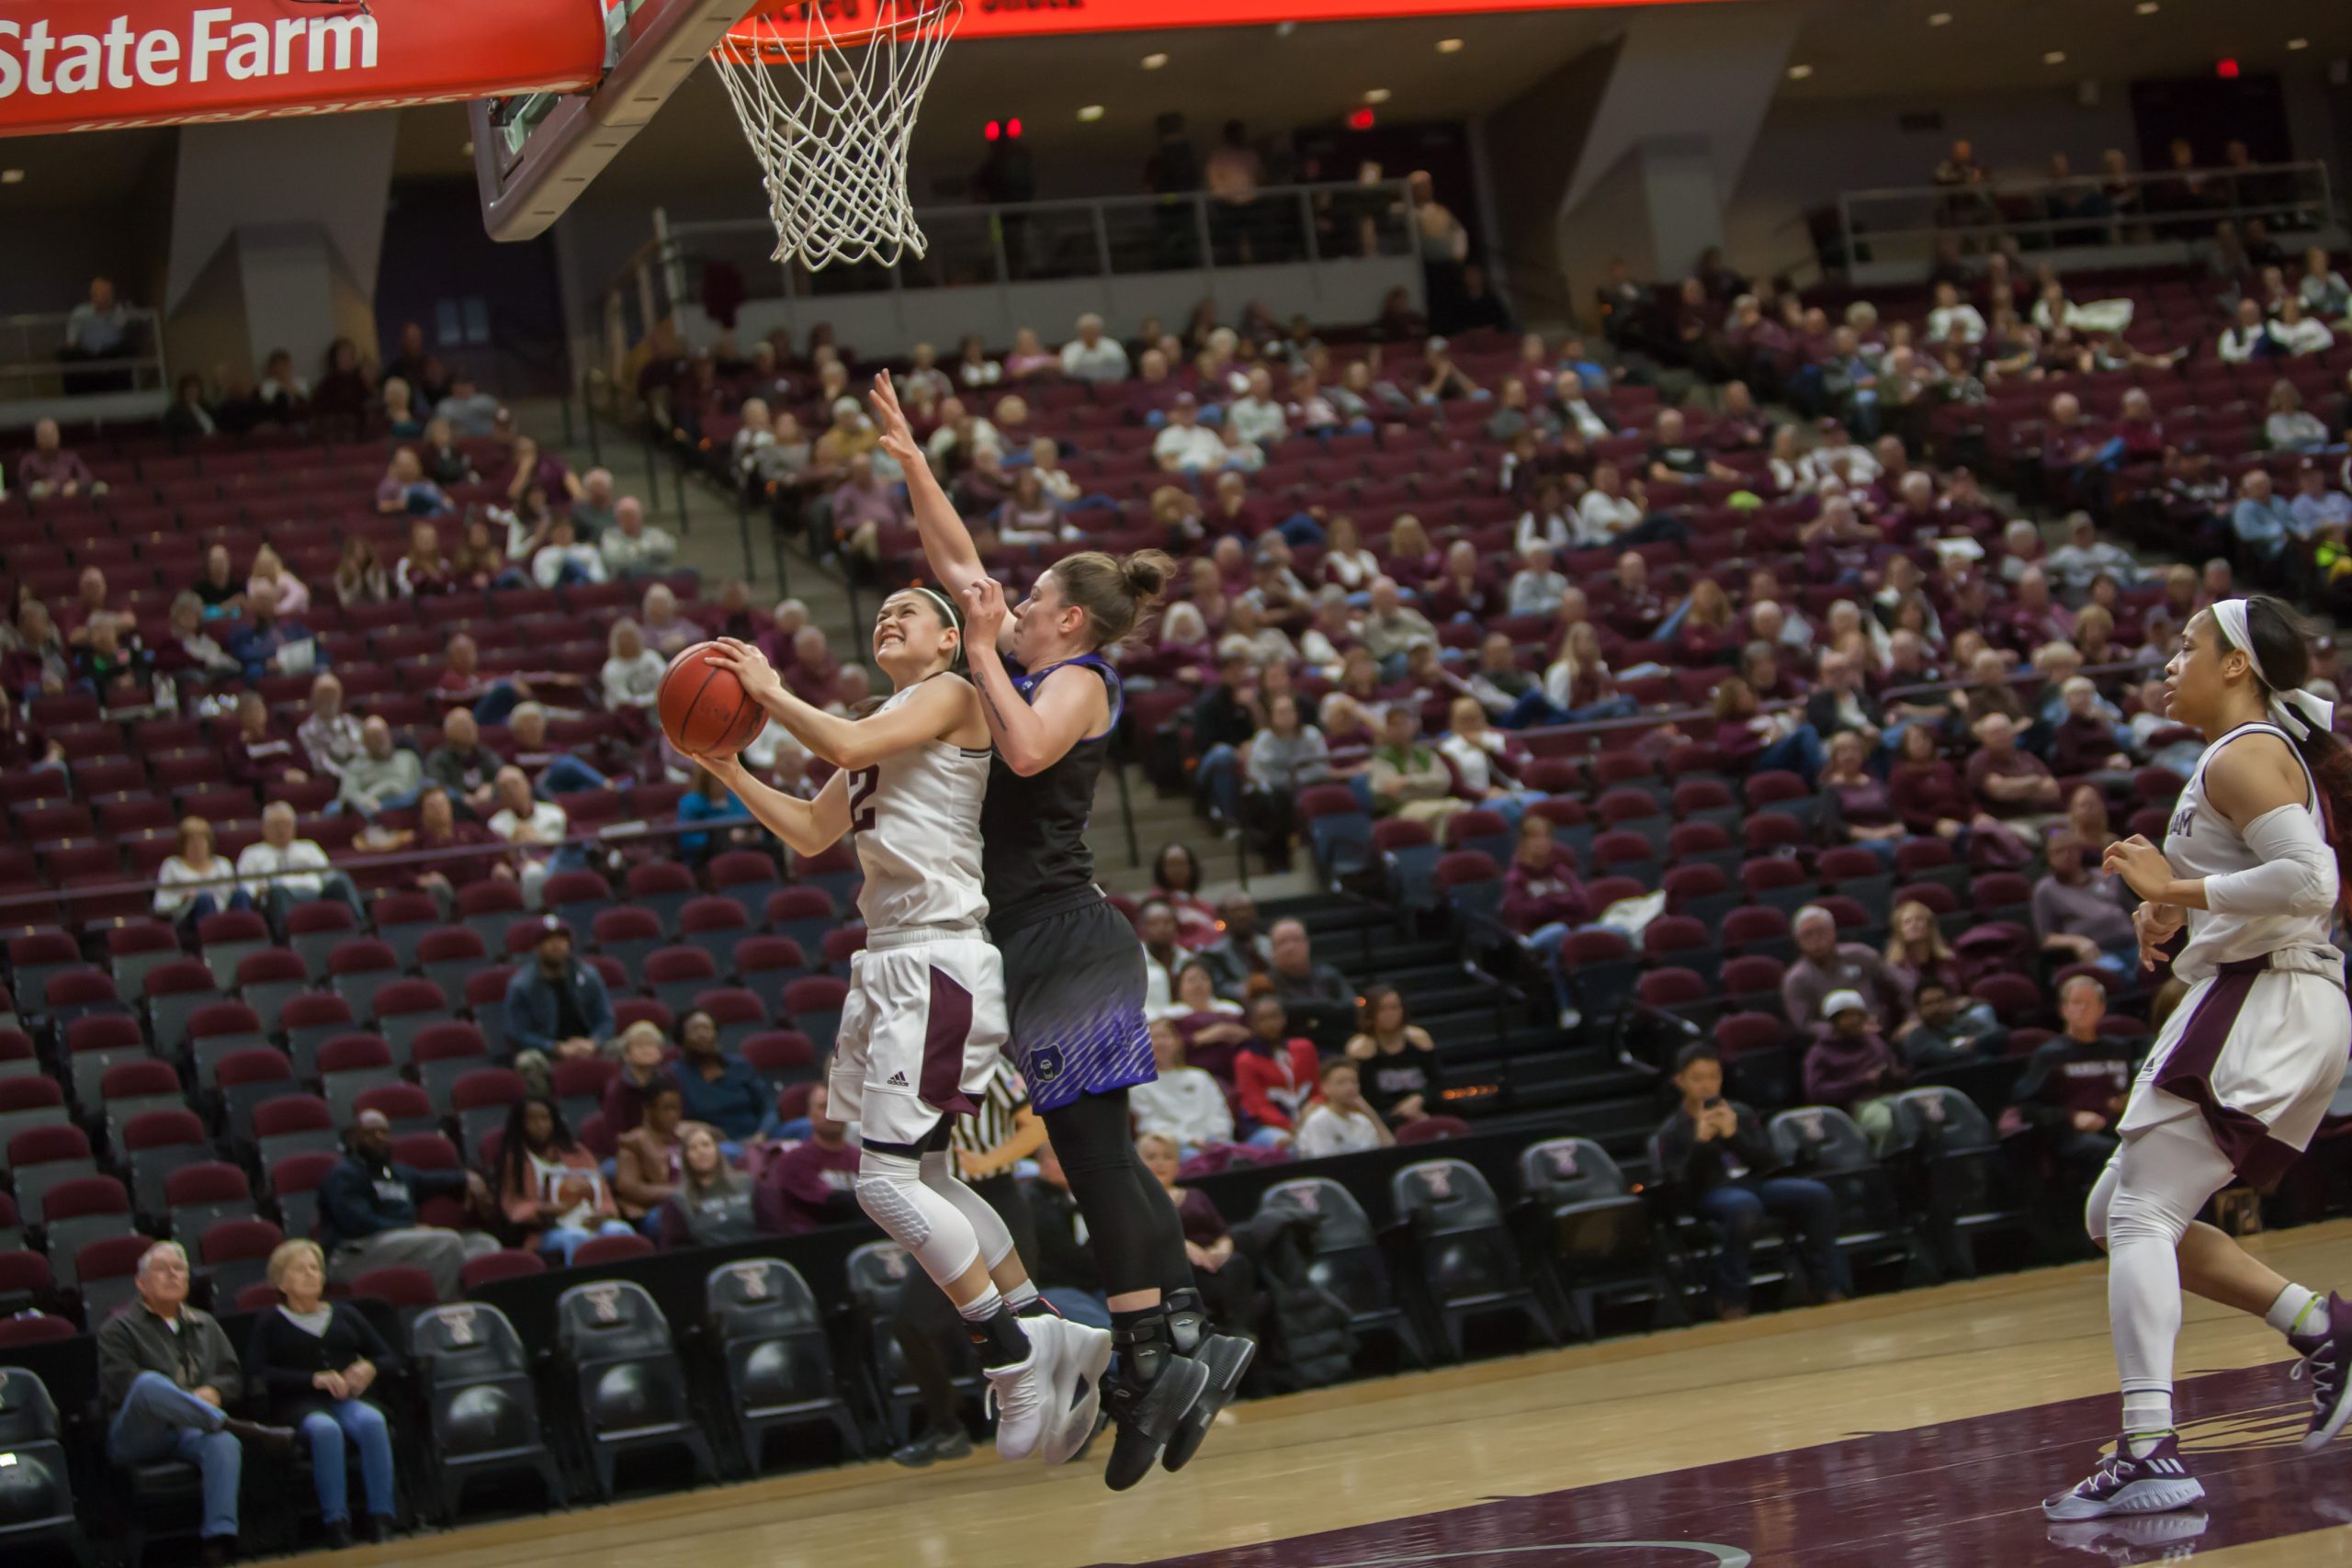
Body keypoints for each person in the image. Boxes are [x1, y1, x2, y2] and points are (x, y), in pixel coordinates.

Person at [876, 368, 1230, 1482]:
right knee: (1095, 1160)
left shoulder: (1078, 678)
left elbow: (1028, 753)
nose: (1008, 607)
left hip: (1069, 936)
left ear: (1068, 619)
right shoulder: (1018, 665)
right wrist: (913, 463)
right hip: (1022, 947)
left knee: (1097, 1157)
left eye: (1026, 602)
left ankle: (1158, 1351)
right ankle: (1171, 1345)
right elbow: (959, 569)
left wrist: (983, 646)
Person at [695, 580, 1109, 1469]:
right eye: (879, 611)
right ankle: (1047, 1326)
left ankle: (1010, 1355)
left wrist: (767, 692)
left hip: (936, 958)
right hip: (890, 960)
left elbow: (837, 736)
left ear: (951, 640)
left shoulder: (952, 697)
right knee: (924, 1176)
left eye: (907, 612)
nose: (888, 618)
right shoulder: (889, 726)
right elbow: (811, 830)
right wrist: (729, 770)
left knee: (881, 1186)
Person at [2045, 595, 2352, 1519]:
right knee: (2117, 1213)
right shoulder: (2233, 756)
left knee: (2138, 1213)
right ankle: (2323, 1326)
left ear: (2235, 666)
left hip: (2267, 995)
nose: (2169, 661)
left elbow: (2309, 881)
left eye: (2187, 647)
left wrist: (2171, 884)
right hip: (2264, 992)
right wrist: (2179, 908)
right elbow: (2263, 882)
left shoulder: (2246, 749)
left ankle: (2149, 1449)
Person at [888, 1057, 1050, 1465]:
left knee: (1022, 1317)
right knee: (911, 1319)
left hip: (993, 1197)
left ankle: (1081, 1404)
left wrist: (988, 1161)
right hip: (940, 1205)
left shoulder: (983, 1063)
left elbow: (1035, 1124)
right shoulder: (908, 1067)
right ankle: (946, 1428)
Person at [99, 1242, 295, 1567]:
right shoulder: (118, 1328)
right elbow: (124, 1387)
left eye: (180, 1269)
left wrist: (216, 1392)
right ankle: (243, 1427)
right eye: (163, 1269)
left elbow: (232, 1376)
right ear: (140, 1282)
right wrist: (187, 1399)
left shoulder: (205, 1323)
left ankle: (219, 1541)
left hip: (193, 1429)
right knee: (148, 1384)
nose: (174, 1275)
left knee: (223, 1443)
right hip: (138, 1434)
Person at [1654, 1043, 1849, 1321]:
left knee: (1817, 1195)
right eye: (1698, 1078)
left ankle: (1827, 1285)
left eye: (1714, 1076)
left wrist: (1734, 1137)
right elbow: (1679, 1186)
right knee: (1744, 1207)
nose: (1708, 1085)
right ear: (1680, 1081)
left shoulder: (1741, 1113)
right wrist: (1700, 1143)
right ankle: (1732, 1297)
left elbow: (1769, 1164)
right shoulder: (1671, 1131)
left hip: (1753, 1185)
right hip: (1709, 1194)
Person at [243, 1238, 400, 1548]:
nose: (311, 1275)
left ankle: (381, 1517)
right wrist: (311, 1379)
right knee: (326, 1430)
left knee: (372, 1421)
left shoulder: (345, 1314)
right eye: (300, 1270)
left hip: (346, 1400)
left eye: (315, 1268)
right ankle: (336, 1523)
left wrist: (368, 1367)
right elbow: (256, 1374)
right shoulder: (270, 1321)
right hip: (298, 1405)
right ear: (281, 1282)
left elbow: (389, 1357)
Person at [317, 1110, 497, 1300]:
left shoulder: (400, 1173)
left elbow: (438, 1180)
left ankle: (482, 1311)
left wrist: (469, 1178)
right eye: (370, 1133)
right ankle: (447, 1315)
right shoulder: (344, 1175)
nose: (378, 1138)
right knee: (446, 1243)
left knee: (485, 1244)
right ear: (354, 1138)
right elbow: (358, 1223)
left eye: (384, 1132)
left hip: (403, 1245)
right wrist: (411, 1228)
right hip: (354, 1252)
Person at [2011, 976, 2137, 1192]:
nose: (2083, 1009)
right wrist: (2072, 1117)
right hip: (2071, 1135)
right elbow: (2027, 1108)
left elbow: (2130, 1090)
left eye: (2090, 1003)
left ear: (2102, 1008)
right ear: (2063, 1009)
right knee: (2111, 1153)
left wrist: (2126, 1103)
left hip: (2116, 1127)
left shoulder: (2119, 1049)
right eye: (2076, 1003)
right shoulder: (2050, 1055)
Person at [1137, 1133, 1263, 1340]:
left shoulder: (1196, 1194)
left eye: (1167, 1156)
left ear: (1178, 1164)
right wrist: (1183, 1246)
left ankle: (1241, 1332)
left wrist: (1222, 1248)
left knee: (1239, 1257)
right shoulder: (1139, 1202)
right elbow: (1144, 1238)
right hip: (1180, 1267)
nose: (1160, 1163)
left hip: (1216, 1260)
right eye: (1151, 1157)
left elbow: (1221, 1230)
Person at [495, 1095, 634, 1262]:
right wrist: (543, 1210)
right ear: (520, 1125)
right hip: (548, 1229)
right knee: (576, 1237)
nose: (540, 1125)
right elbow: (514, 1207)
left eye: (545, 1119)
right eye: (531, 1120)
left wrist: (603, 1213)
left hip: (590, 1219)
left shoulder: (577, 1152)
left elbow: (603, 1193)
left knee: (620, 1230)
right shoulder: (514, 1160)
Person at [1803, 989, 1909, 1153]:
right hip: (1856, 1107)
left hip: (1889, 1097)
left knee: (1918, 1115)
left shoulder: (1874, 1042)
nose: (1855, 1020)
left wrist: (1891, 1075)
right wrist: (1862, 1081)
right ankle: (1885, 1162)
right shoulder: (1819, 1053)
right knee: (1887, 1124)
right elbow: (1816, 1092)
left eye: (1858, 1015)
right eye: (1848, 1016)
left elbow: (1895, 1069)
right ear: (1834, 1021)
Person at [503, 918, 615, 1071]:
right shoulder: (521, 985)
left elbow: (606, 1019)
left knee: (629, 1047)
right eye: (549, 941)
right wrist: (555, 1047)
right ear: (538, 947)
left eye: (561, 940)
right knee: (528, 1062)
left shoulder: (589, 976)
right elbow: (518, 1032)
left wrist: (594, 1042)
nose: (557, 945)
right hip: (548, 1051)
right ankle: (540, 1096)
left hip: (589, 1044)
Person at [2033, 824, 2139, 973]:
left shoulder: (2105, 874)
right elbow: (2046, 938)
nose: (2067, 855)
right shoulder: (2046, 889)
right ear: (2048, 857)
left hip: (2133, 942)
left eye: (2071, 849)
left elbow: (2131, 908)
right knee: (2116, 972)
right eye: (2059, 851)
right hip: (2098, 951)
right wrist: (2077, 941)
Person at [235, 801, 359, 924]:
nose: (281, 830)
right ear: (264, 828)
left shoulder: (309, 847)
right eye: (276, 825)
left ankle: (359, 923)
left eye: (286, 824)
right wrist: (258, 891)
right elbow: (245, 887)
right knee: (278, 891)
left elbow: (328, 875)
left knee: (341, 880)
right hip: (280, 898)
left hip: (316, 894)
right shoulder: (251, 853)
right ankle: (290, 935)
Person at [1131, 1019, 1236, 1155]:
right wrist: (1189, 1140)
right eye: (1153, 1038)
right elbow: (1150, 1124)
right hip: (1174, 1147)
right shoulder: (1139, 1086)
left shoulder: (1200, 1076)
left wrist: (1217, 1138)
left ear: (1177, 1042)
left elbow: (1219, 1112)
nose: (1160, 1043)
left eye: (1165, 1036)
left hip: (1213, 1141)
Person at [1344, 985, 1441, 1126]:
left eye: (1395, 1007)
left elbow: (1437, 1082)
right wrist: (1401, 1111)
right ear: (1371, 1013)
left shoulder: (1419, 1039)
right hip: (1384, 1117)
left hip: (1424, 1108)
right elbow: (1366, 1096)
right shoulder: (1360, 1049)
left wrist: (1419, 1099)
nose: (1390, 1014)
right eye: (1382, 1009)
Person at [670, 1007, 769, 1144]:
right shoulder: (674, 1074)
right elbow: (675, 1122)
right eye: (695, 1030)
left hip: (757, 1136)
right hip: (713, 1143)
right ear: (681, 1038)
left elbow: (769, 1106)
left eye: (706, 1029)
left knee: (803, 1126)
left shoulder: (740, 1066)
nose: (702, 1035)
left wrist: (762, 1133)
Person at [658, 1122, 762, 1248]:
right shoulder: (678, 1200)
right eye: (693, 1148)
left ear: (717, 1150)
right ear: (686, 1157)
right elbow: (674, 1249)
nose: (701, 1152)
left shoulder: (747, 1184)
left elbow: (769, 1230)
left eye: (706, 1145)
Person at [615, 1079, 690, 1228]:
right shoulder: (633, 1143)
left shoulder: (685, 1137)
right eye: (667, 1109)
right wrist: (678, 1193)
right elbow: (628, 1188)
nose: (674, 1115)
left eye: (677, 1108)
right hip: (657, 1209)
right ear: (648, 1111)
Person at [154, 816, 247, 932]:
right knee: (204, 897)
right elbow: (161, 903)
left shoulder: (222, 863)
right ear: (182, 844)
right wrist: (183, 898)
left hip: (224, 913)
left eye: (202, 839)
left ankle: (244, 935)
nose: (197, 845)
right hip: (189, 919)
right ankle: (211, 938)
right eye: (191, 841)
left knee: (241, 894)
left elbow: (231, 892)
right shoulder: (172, 866)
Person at [1295, 1057, 1394, 1157]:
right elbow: (1325, 1163)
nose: (1350, 1087)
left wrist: (1370, 1114)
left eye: (1354, 1081)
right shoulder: (1318, 1121)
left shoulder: (1362, 1121)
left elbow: (1389, 1149)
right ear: (1325, 1087)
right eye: (1341, 1082)